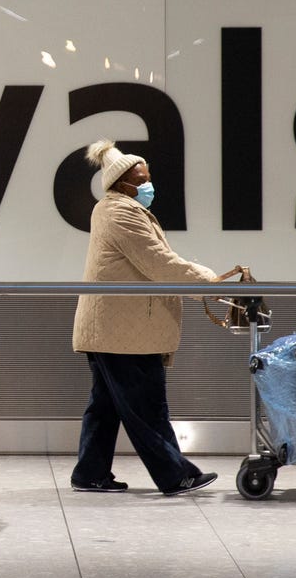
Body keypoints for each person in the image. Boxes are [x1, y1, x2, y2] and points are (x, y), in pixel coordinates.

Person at [71, 139, 232, 496]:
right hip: (124, 332)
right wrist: (210, 282)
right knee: (147, 405)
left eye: (147, 177)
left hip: (114, 329)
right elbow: (159, 262)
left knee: (106, 405)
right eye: (140, 179)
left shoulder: (120, 210)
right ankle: (176, 476)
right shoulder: (120, 213)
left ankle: (90, 472)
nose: (148, 185)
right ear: (121, 185)